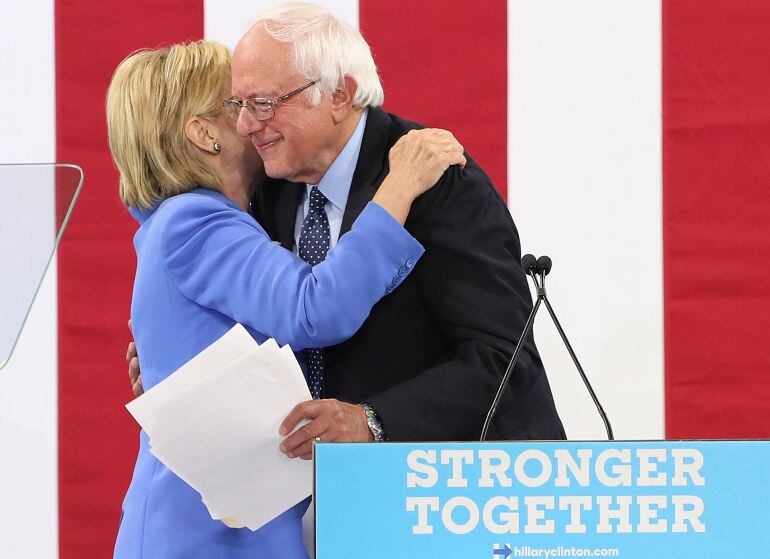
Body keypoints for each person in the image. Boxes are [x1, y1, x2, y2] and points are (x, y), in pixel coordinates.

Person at [108, 41, 464, 559]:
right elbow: (314, 309)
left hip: (229, 524)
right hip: (207, 535)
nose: (255, 121)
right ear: (205, 134)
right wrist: (397, 189)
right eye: (240, 106)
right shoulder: (196, 221)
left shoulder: (193, 223)